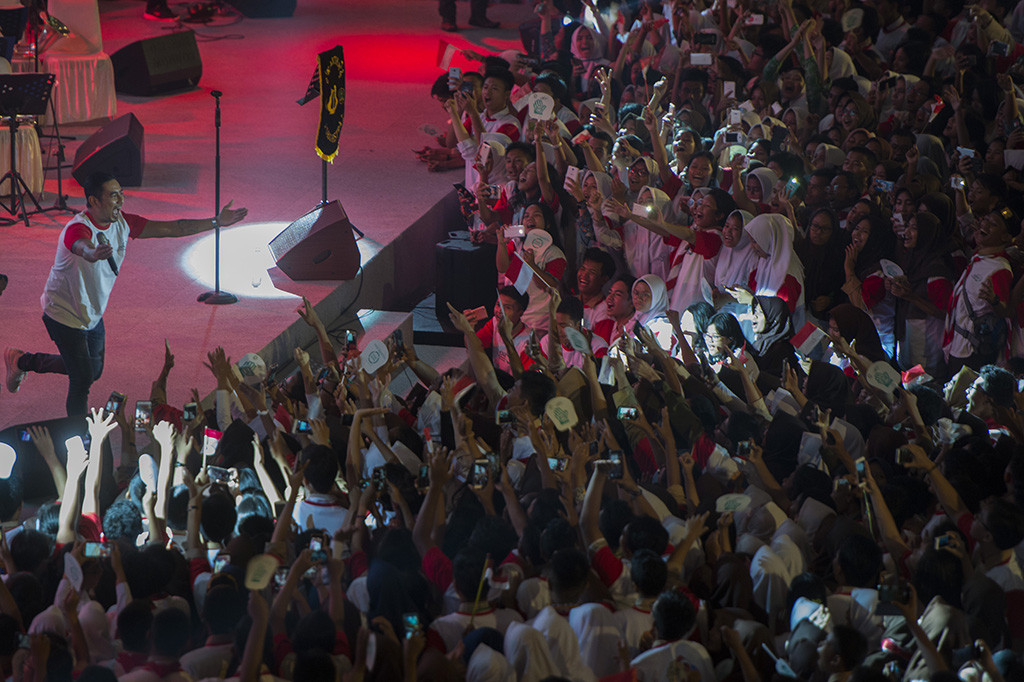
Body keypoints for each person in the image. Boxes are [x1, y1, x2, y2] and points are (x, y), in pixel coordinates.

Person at [4, 172, 247, 416]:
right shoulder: (77, 228)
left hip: (91, 312)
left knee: (93, 369)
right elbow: (81, 246)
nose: (120, 200)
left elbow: (173, 228)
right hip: (62, 313)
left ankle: (22, 361)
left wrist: (216, 221)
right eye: (113, 195)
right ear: (94, 201)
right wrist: (92, 253)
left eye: (121, 193)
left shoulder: (123, 223)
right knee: (82, 379)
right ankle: (79, 444)